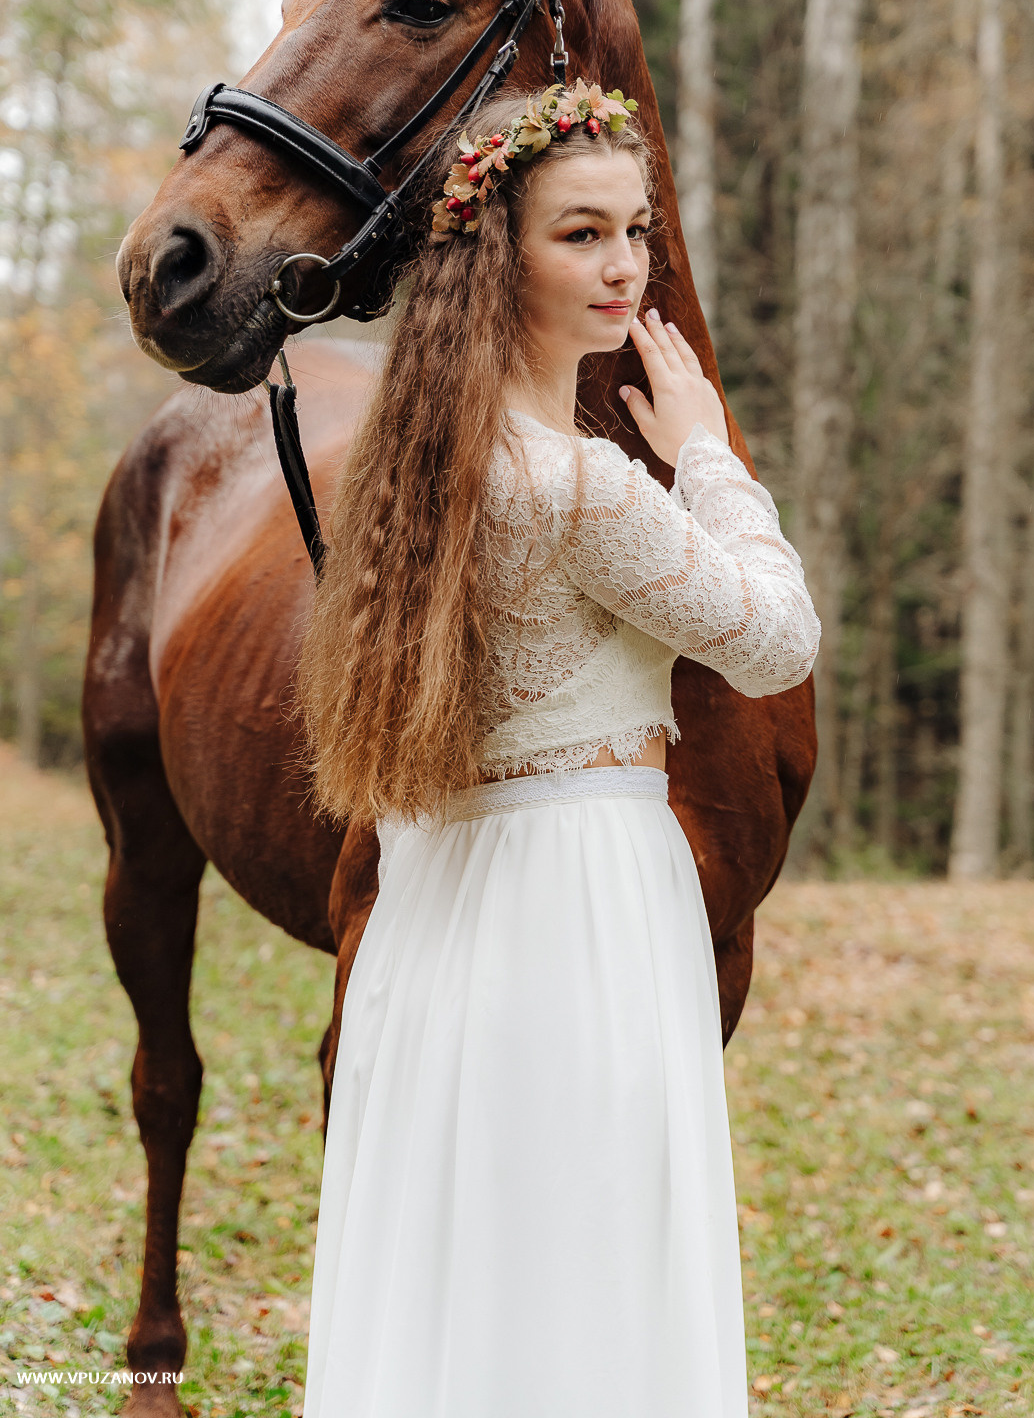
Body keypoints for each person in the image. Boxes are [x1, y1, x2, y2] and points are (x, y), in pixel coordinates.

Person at [296, 80, 821, 1418]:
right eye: (581, 233)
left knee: (469, 1255)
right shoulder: (575, 483)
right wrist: (708, 457)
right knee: (585, 1256)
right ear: (497, 256)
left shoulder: (423, 468)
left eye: (636, 230)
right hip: (575, 908)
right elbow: (777, 642)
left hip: (449, 910)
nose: (625, 264)